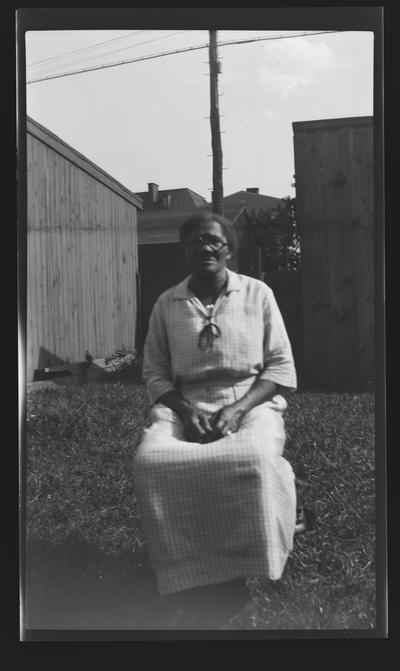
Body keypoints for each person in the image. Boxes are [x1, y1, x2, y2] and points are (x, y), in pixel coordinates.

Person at [133, 211, 297, 629]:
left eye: (214, 241)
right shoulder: (167, 303)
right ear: (184, 250)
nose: (205, 248)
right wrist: (186, 412)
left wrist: (237, 410)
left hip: (249, 402)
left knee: (252, 457)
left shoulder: (258, 294)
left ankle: (236, 580)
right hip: (185, 403)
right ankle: (189, 576)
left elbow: (280, 368)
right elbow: (154, 372)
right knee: (153, 462)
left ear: (229, 249)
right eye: (196, 242)